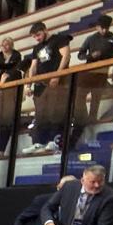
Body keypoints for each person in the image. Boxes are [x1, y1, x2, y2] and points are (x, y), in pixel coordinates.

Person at [26, 20, 73, 150]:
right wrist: (28, 84)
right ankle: (40, 141)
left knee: (55, 111)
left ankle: (56, 139)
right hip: (41, 83)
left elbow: (66, 56)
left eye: (38, 35)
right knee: (41, 113)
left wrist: (57, 75)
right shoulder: (37, 48)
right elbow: (33, 67)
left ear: (45, 30)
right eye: (34, 37)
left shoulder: (59, 39)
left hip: (57, 80)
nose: (37, 38)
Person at [40, 163, 113, 225]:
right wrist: (49, 222)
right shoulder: (69, 187)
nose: (97, 185)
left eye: (100, 181)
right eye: (93, 182)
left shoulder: (110, 196)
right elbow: (48, 207)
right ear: (82, 180)